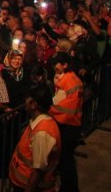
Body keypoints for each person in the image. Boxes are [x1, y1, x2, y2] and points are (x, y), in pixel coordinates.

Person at [9, 85, 61, 192]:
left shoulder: (42, 133)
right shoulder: (38, 122)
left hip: (29, 186)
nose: (25, 101)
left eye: (27, 98)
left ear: (33, 104)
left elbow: (38, 170)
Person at [49, 53, 83, 192]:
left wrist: (49, 109)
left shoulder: (67, 81)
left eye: (57, 63)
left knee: (66, 161)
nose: (54, 66)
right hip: (73, 124)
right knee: (66, 159)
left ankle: (70, 189)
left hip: (67, 125)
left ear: (65, 65)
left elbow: (63, 106)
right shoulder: (73, 78)